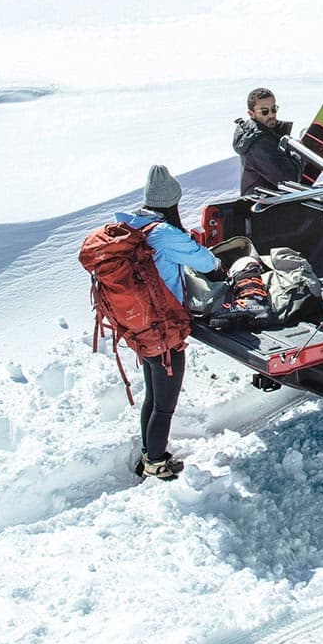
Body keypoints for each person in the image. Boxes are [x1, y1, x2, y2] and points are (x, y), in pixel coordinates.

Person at [116, 165, 219, 480]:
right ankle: (156, 463)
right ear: (172, 202)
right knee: (164, 406)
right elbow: (206, 262)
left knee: (153, 396)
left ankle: (149, 454)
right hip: (163, 331)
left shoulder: (133, 226)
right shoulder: (164, 234)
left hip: (140, 328)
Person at [233, 87, 302, 194]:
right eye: (264, 111)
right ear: (251, 114)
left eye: (274, 108)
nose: (271, 114)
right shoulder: (259, 143)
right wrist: (299, 152)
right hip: (266, 207)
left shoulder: (264, 133)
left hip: (271, 202)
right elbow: (289, 181)